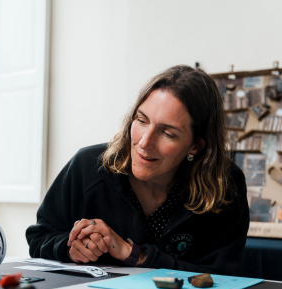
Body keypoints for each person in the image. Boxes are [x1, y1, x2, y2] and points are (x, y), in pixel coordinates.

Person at [26, 65, 250, 276]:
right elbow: (39, 238)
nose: (144, 142)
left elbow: (223, 275)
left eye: (168, 133)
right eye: (142, 120)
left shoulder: (225, 184)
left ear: (196, 145)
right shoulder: (87, 165)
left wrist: (135, 255)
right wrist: (70, 248)